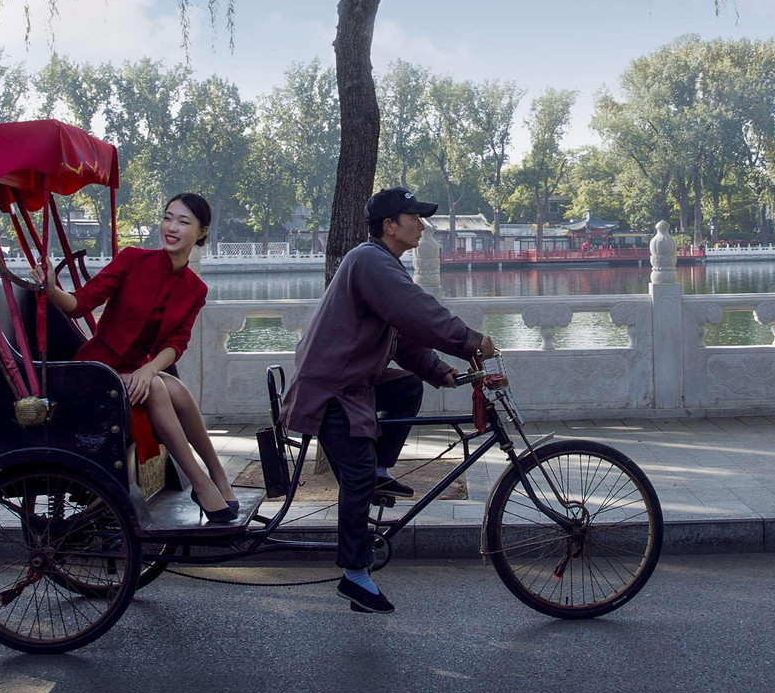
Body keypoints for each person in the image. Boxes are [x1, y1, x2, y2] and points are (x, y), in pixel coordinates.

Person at [281, 187, 498, 614]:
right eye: (413, 217)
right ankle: (355, 576)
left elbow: (402, 337)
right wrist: (470, 341)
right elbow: (420, 313)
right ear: (389, 226)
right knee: (357, 478)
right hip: (332, 390)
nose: (421, 224)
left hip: (351, 384)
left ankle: (382, 468)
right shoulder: (370, 261)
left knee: (408, 386)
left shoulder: (382, 264)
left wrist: (440, 371)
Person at [25, 192, 238, 521]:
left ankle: (218, 477)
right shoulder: (132, 259)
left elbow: (176, 342)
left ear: (201, 232)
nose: (171, 227)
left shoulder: (195, 289)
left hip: (133, 371)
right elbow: (81, 303)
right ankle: (201, 484)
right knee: (156, 387)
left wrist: (148, 369)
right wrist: (52, 289)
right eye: (168, 217)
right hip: (94, 371)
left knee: (173, 388)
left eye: (183, 221)